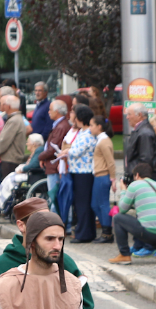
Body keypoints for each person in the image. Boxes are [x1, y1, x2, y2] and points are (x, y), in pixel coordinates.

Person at [109, 164, 156, 265]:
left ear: (137, 175)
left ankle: (124, 255)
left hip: (149, 234)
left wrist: (124, 190)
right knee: (150, 221)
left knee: (118, 218)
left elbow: (122, 209)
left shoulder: (135, 185)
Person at [65, 105, 98, 243]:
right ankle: (85, 232)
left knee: (83, 204)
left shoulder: (87, 134)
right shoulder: (82, 132)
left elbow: (76, 151)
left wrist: (65, 152)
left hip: (84, 173)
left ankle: (84, 233)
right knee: (81, 204)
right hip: (78, 171)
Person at [38, 99, 72, 211]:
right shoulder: (59, 125)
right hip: (53, 165)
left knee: (55, 197)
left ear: (57, 111)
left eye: (50, 109)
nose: (48, 112)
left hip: (55, 166)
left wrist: (40, 156)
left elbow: (52, 148)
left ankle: (56, 223)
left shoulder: (61, 126)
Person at [90, 113, 116, 243]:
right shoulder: (101, 140)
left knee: (102, 204)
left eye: (92, 125)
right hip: (99, 175)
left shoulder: (104, 141)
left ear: (99, 127)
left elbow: (110, 162)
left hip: (103, 175)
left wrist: (113, 178)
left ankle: (107, 233)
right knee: (95, 204)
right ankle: (106, 228)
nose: (90, 128)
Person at [123, 104, 156, 185]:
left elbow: (146, 160)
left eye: (129, 114)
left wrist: (137, 178)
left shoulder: (144, 133)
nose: (127, 117)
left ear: (139, 115)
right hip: (139, 178)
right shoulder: (141, 130)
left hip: (142, 180)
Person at [0, 94, 27, 184]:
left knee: (8, 186)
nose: (0, 106)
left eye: (2, 104)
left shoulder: (14, 120)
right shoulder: (16, 118)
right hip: (12, 158)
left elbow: (4, 140)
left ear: (8, 106)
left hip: (10, 159)